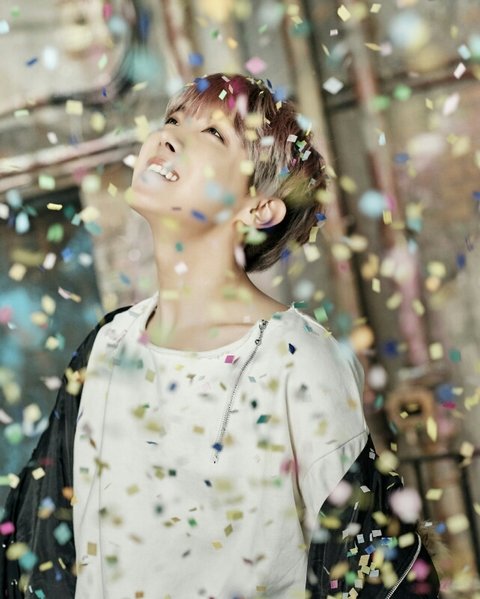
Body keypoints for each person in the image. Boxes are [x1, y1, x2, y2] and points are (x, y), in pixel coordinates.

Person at [0, 73, 440, 598]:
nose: (167, 136)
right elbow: (37, 546)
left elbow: (371, 569)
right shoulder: (105, 348)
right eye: (172, 119)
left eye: (212, 133)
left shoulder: (297, 359)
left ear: (259, 207)